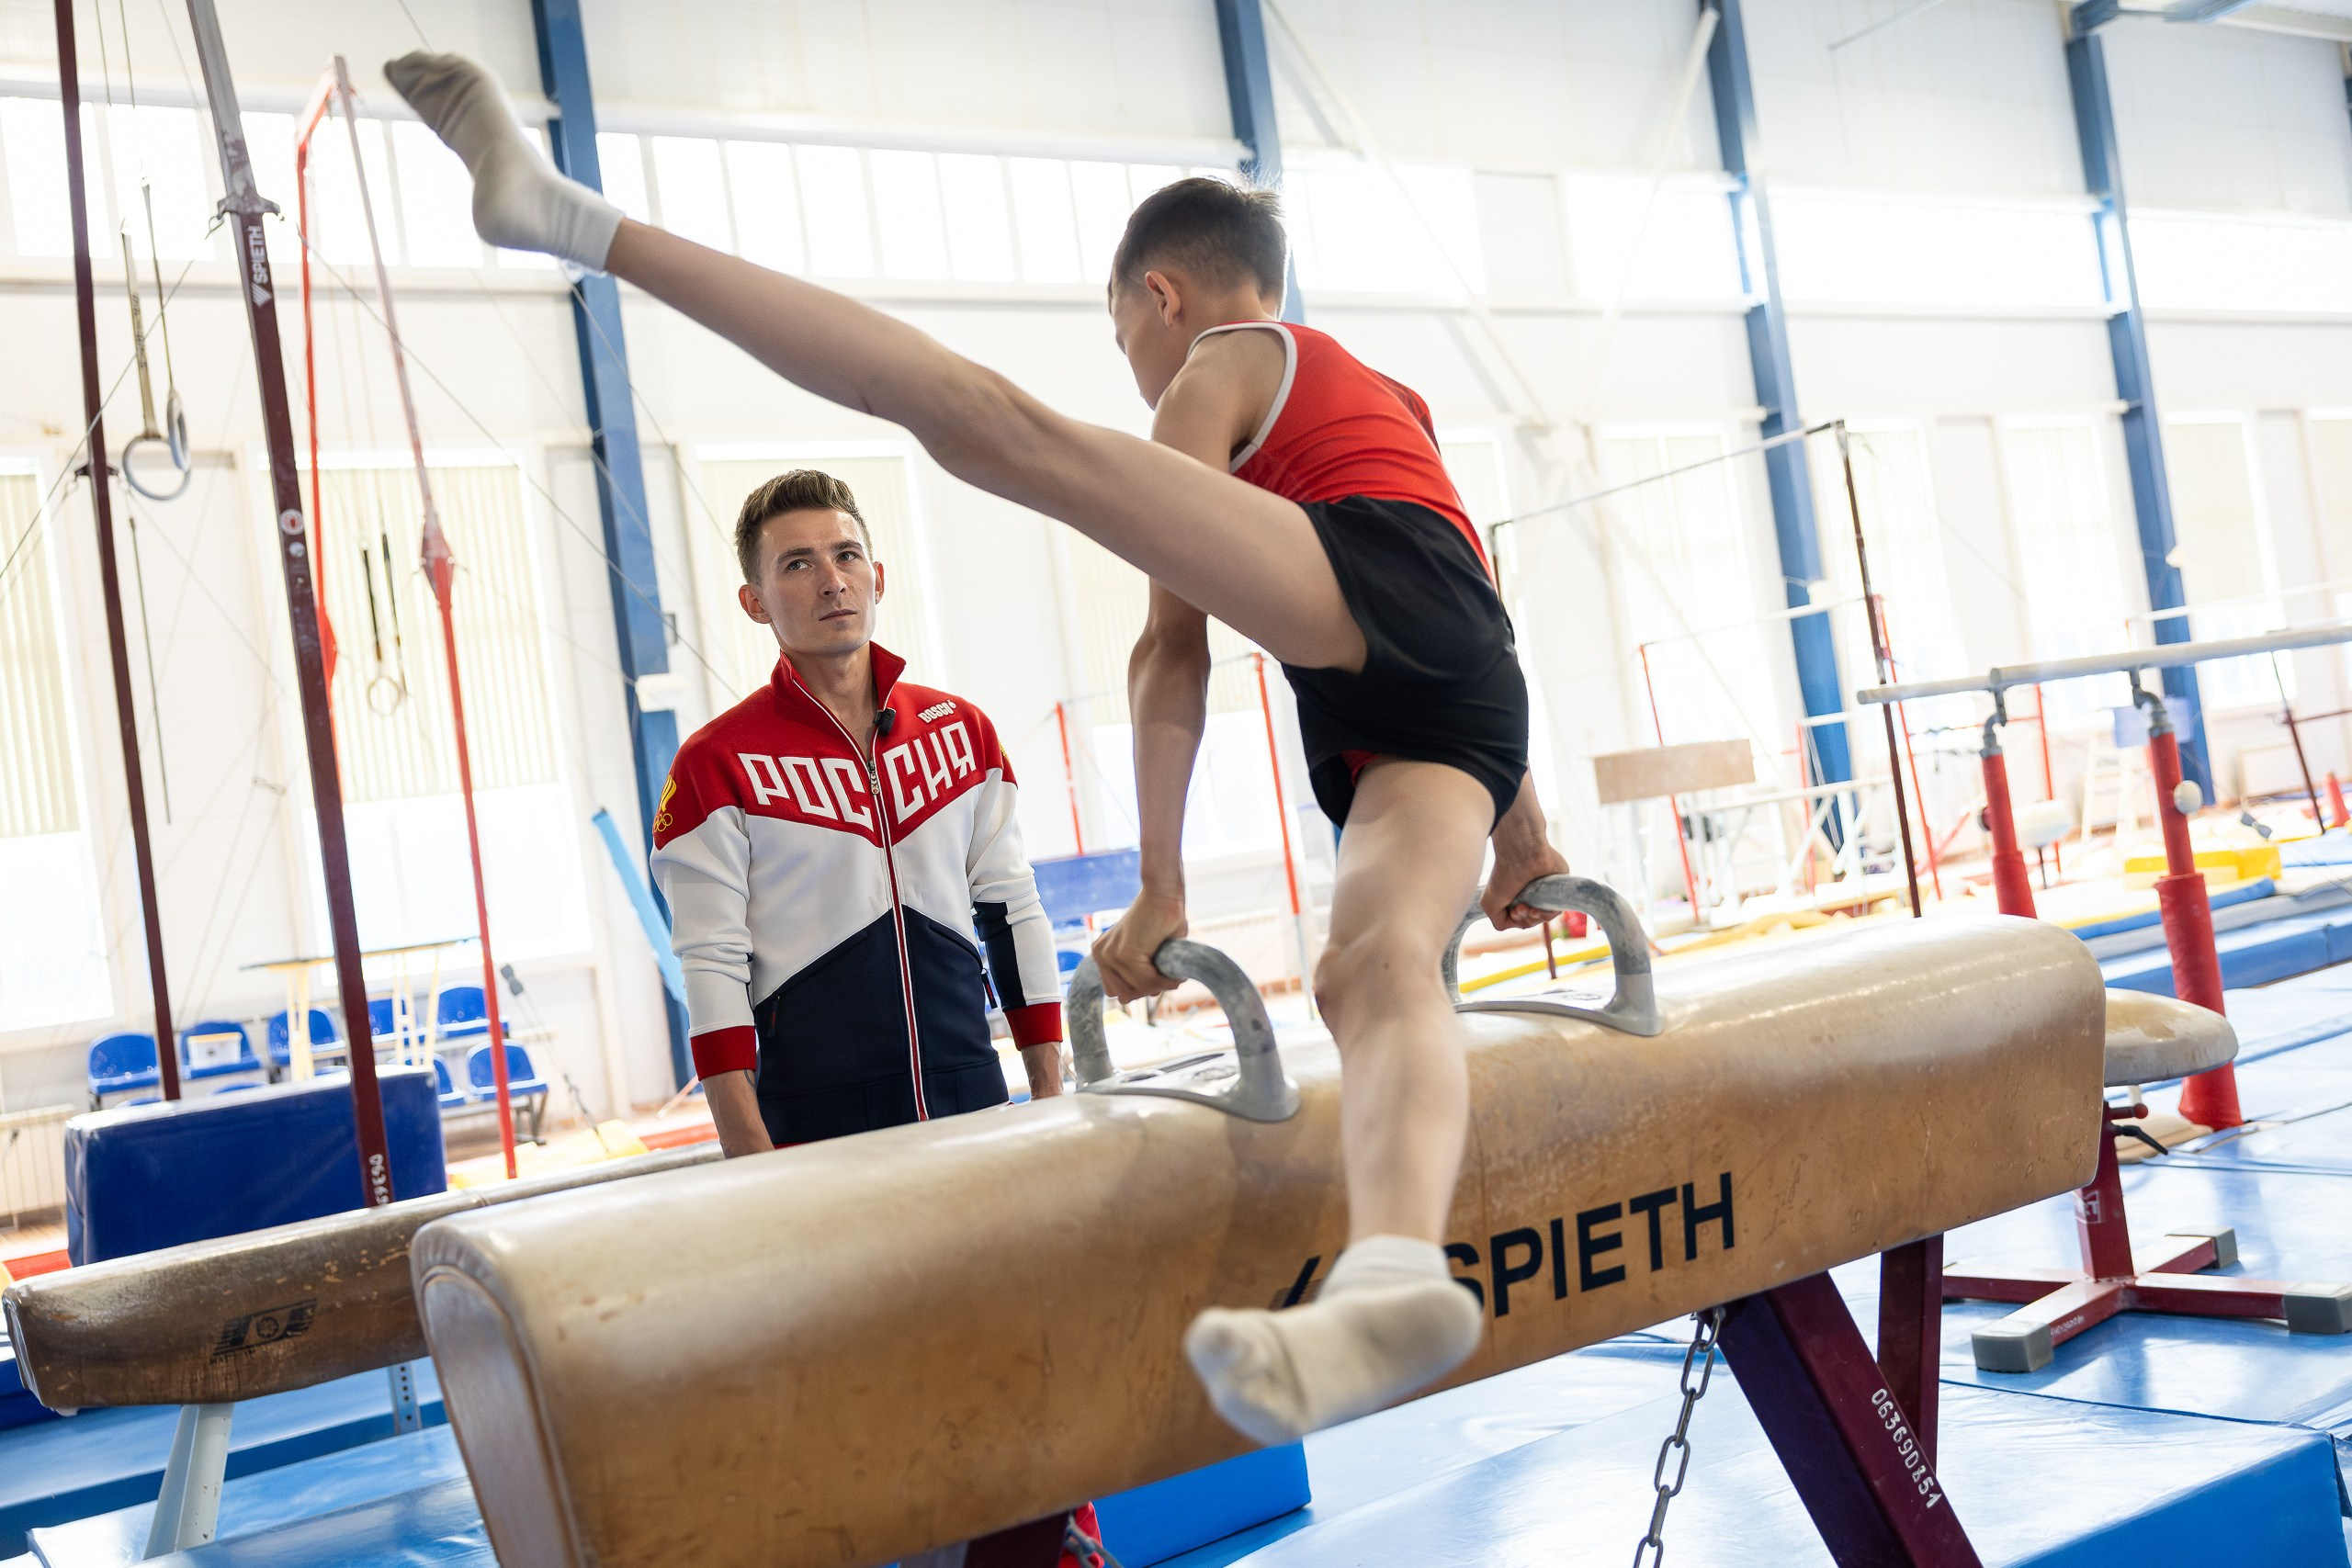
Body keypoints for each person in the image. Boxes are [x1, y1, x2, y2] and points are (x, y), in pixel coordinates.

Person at [388, 52, 1570, 1446]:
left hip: (1373, 622)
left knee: (984, 422)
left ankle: (570, 220)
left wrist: (1165, 884)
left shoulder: (1225, 357)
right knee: (1370, 973)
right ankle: (1392, 1274)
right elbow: (1467, 619)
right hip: (1436, 702)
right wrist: (1526, 829)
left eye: (1124, 332)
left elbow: (1170, 643)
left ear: (1160, 297)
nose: (1137, 369)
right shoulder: (1391, 406)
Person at [650, 469, 1067, 1154]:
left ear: (877, 575)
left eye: (845, 556)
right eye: (797, 563)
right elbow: (712, 966)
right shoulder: (714, 764)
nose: (831, 580)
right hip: (818, 1131)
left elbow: (1013, 908)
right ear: (755, 602)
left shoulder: (962, 734)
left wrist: (1048, 1093)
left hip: (974, 1102)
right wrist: (750, 1159)